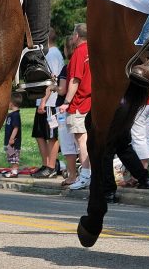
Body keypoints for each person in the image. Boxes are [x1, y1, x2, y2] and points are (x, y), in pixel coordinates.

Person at [31, 29, 65, 178]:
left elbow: (52, 81)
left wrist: (43, 102)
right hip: (43, 101)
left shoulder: (52, 54)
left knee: (51, 136)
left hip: (50, 103)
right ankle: (46, 164)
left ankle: (51, 166)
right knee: (40, 134)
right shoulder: (48, 54)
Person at [63, 23, 92, 190]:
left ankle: (85, 175)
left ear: (76, 36)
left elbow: (75, 80)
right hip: (91, 100)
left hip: (79, 102)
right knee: (89, 140)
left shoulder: (78, 53)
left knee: (82, 140)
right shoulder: (93, 50)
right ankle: (90, 174)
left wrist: (66, 102)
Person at [55, 27, 80, 186]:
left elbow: (63, 89)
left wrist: (53, 86)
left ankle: (72, 175)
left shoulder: (67, 67)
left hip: (65, 108)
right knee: (80, 142)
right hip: (79, 106)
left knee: (68, 144)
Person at [1, 93, 23, 178]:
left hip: (13, 141)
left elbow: (16, 128)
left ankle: (14, 172)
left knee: (14, 157)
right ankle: (12, 170)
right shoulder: (11, 114)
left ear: (11, 103)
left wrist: (12, 138)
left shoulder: (16, 115)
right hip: (9, 141)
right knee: (10, 156)